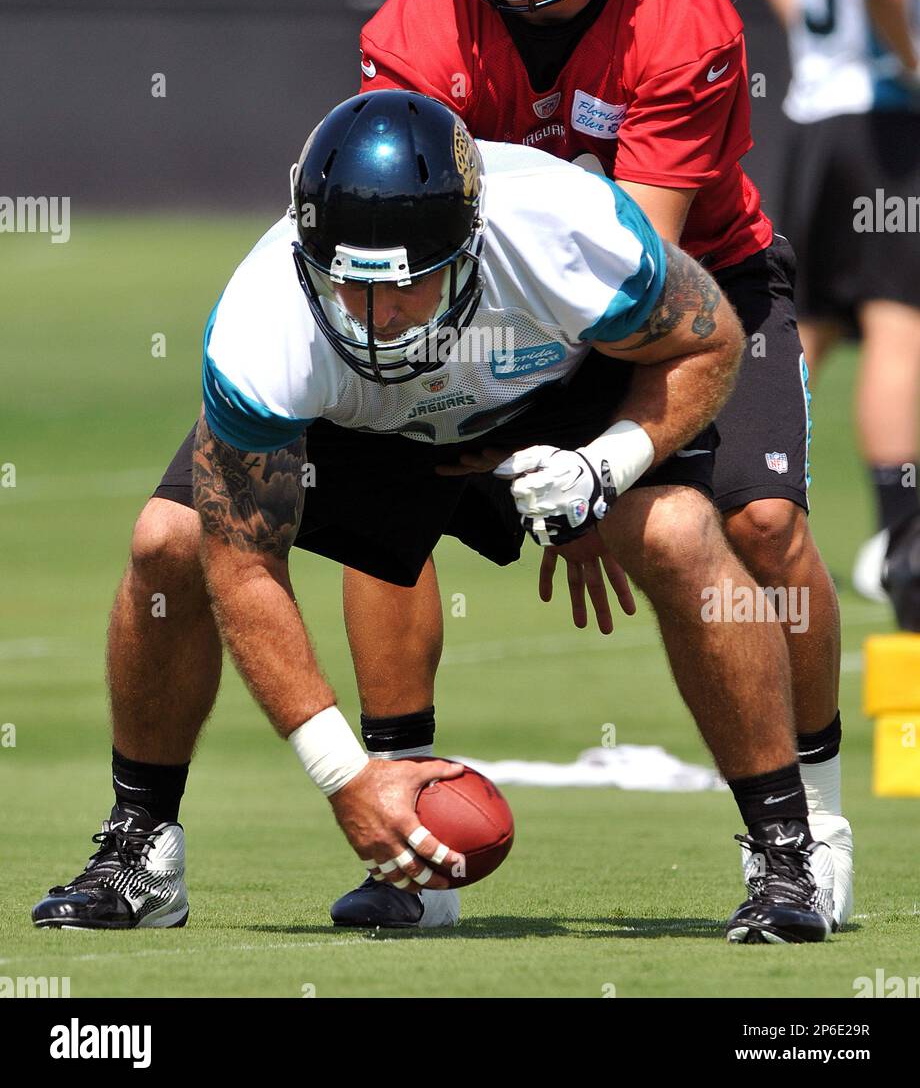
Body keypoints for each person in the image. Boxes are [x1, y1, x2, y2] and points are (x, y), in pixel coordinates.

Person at [33, 89, 833, 943]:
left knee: (676, 532)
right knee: (170, 540)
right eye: (348, 284)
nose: (376, 320)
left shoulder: (567, 233)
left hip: (551, 386)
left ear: (469, 248)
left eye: (407, 287)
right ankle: (142, 846)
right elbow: (244, 564)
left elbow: (708, 340)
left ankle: (787, 855)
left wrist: (609, 466)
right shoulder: (265, 324)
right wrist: (345, 778)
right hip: (366, 421)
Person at [347, 0, 851, 931]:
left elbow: (638, 272)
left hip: (693, 286)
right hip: (481, 305)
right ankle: (409, 836)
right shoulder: (413, 31)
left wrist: (596, 459)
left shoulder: (681, 18)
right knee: (382, 503)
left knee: (762, 525)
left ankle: (809, 819)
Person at [750, 0, 920, 634]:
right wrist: (910, 59)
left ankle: (748, 499)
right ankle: (906, 545)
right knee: (900, 322)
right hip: (878, 122)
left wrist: (815, 44)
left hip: (816, 120)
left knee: (808, 326)